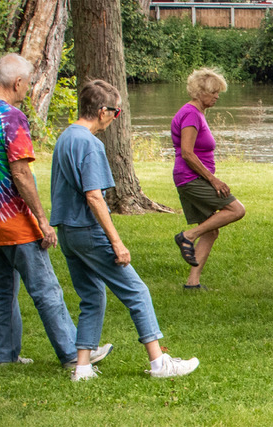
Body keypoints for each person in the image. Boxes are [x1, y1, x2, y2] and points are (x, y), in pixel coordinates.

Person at [0, 53, 112, 367]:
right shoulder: (12, 117)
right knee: (47, 290)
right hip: (14, 221)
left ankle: (5, 356)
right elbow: (20, 173)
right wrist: (42, 221)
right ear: (17, 83)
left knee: (2, 292)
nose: (28, 88)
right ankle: (73, 355)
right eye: (28, 83)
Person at [50, 79, 200, 381]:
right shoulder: (90, 144)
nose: (115, 119)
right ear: (103, 111)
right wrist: (116, 242)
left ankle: (82, 368)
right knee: (137, 291)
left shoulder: (66, 136)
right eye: (116, 113)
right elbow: (93, 196)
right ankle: (159, 363)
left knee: (92, 296)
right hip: (87, 230)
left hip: (67, 231)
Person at [171, 68, 246, 290]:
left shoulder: (195, 113)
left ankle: (192, 283)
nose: (217, 97)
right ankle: (187, 236)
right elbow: (187, 152)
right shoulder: (192, 114)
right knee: (236, 210)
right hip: (191, 178)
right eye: (213, 93)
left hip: (190, 178)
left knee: (211, 230)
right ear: (200, 92)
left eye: (218, 93)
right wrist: (214, 180)